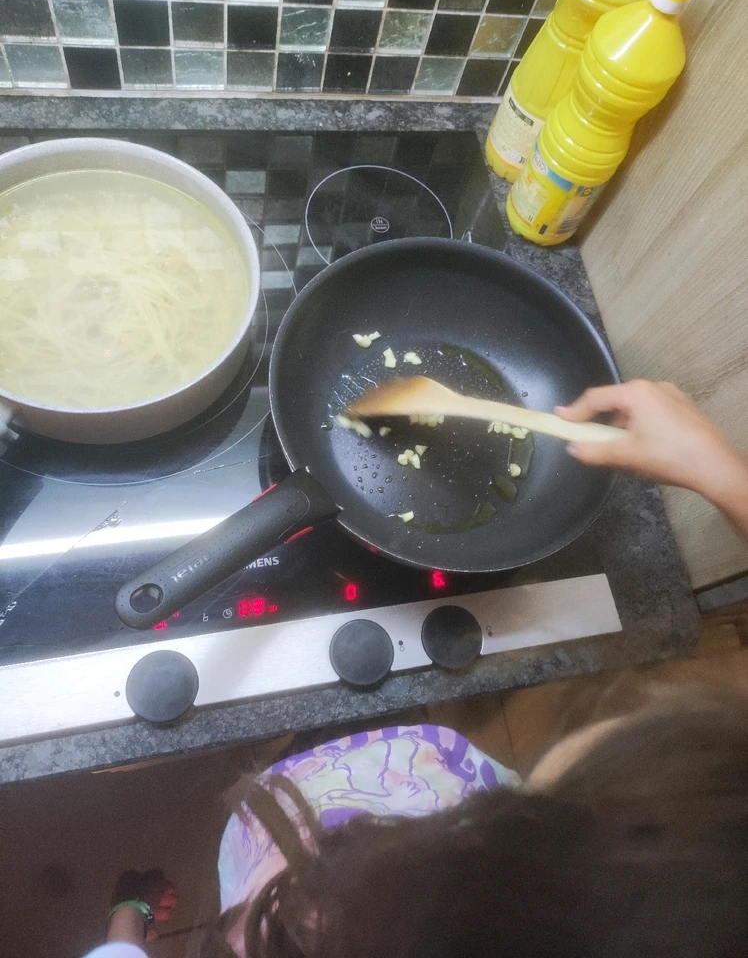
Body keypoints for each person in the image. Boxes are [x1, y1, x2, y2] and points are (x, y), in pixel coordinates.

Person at [84, 381, 748, 958]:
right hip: (429, 779)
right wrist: (724, 475)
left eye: (549, 807)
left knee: (309, 763)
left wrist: (131, 913)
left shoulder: (298, 929)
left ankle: (308, 748)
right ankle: (375, 732)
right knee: (403, 736)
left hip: (285, 838)